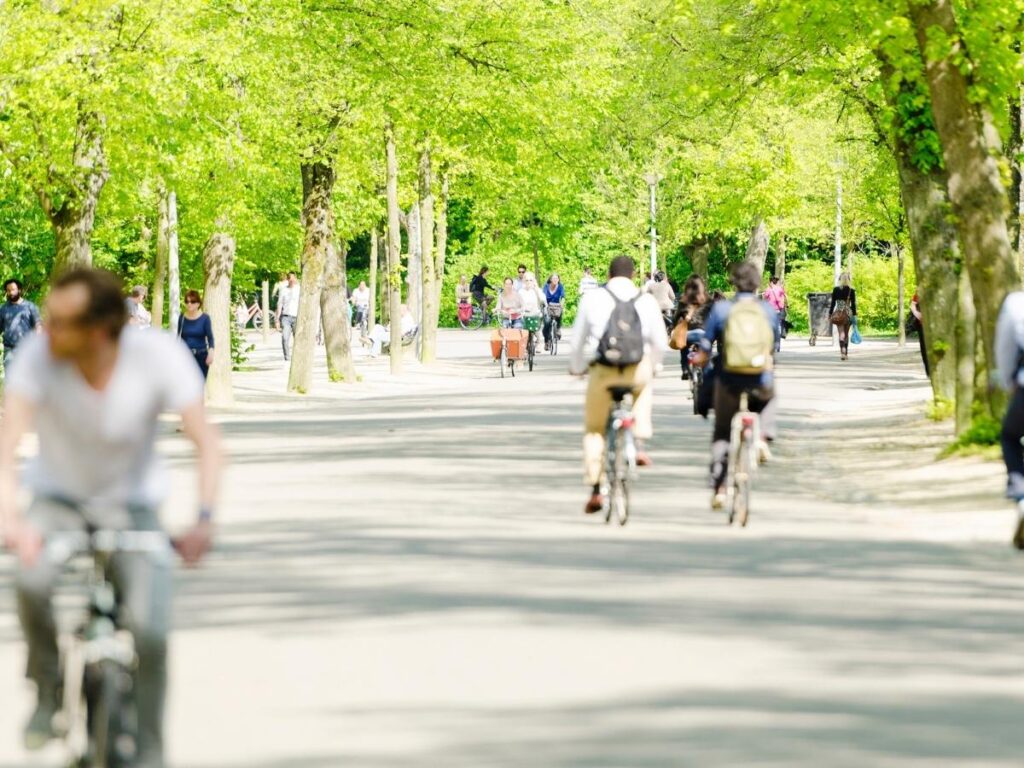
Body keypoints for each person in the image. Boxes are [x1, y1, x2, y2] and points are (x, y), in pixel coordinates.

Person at [0, 267, 223, 766]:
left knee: (151, 628)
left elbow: (207, 442)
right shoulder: (39, 358)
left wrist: (203, 520)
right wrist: (10, 519)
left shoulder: (155, 357)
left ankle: (149, 749)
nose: (45, 331)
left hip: (133, 504)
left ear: (101, 329)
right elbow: (7, 444)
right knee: (33, 582)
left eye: (59, 322)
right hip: (58, 499)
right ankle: (48, 691)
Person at [570, 256, 669, 513]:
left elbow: (578, 339)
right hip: (636, 369)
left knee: (594, 430)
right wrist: (654, 366)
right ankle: (638, 441)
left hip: (602, 370)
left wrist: (577, 367)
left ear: (609, 273)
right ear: (634, 275)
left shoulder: (593, 298)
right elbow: (660, 341)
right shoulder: (645, 299)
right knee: (644, 388)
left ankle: (595, 488)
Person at [694, 262, 779, 509]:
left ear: (733, 283)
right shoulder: (767, 311)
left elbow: (706, 347)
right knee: (771, 396)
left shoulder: (722, 309)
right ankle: (763, 436)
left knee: (722, 432)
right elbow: (772, 344)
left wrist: (700, 360)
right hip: (759, 378)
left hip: (729, 380)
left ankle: (720, 487)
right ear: (757, 284)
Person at [672, 274, 711, 379]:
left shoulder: (683, 300)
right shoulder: (707, 300)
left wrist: (673, 327)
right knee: (707, 352)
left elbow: (675, 318)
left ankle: (685, 369)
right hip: (704, 334)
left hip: (688, 334)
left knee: (684, 347)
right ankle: (706, 372)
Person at [0, 278, 41, 369]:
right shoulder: (2, 309)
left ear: (19, 290)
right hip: (9, 351)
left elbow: (38, 327)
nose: (11, 292)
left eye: (13, 289)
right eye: (8, 290)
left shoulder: (30, 306)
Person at [177, 290, 215, 379]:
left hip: (201, 356)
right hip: (185, 357)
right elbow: (179, 338)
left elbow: (210, 338)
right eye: (187, 301)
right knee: (186, 386)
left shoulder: (205, 318)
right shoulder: (182, 317)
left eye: (192, 301)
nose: (189, 304)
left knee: (199, 387)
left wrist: (211, 352)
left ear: (198, 304)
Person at [829, 272, 857, 361]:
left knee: (841, 333)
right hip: (848, 313)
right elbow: (854, 304)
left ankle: (842, 352)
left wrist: (830, 314)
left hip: (839, 313)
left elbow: (833, 303)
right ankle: (846, 354)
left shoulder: (836, 289)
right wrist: (855, 315)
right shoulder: (851, 290)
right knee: (846, 334)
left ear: (840, 279)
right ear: (849, 280)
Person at [275, 271, 300, 361]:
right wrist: (277, 320)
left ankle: (297, 357)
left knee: (298, 339)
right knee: (285, 337)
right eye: (290, 279)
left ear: (295, 279)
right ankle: (287, 358)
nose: (292, 281)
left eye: (293, 279)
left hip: (297, 317)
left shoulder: (299, 289)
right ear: (288, 280)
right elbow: (279, 305)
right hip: (286, 317)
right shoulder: (284, 290)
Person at [763, 276, 787, 353]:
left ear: (770, 282)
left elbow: (765, 299)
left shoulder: (768, 290)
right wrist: (784, 306)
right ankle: (778, 345)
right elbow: (784, 297)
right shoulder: (780, 289)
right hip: (778, 310)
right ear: (777, 282)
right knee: (779, 326)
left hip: (770, 311)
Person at [543, 273, 566, 351]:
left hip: (556, 306)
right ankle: (547, 341)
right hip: (547, 306)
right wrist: (545, 305)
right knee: (547, 323)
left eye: (557, 278)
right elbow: (543, 297)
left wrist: (561, 304)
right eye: (554, 278)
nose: (555, 280)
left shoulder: (560, 287)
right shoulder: (546, 286)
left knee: (560, 312)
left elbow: (563, 297)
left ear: (558, 280)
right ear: (550, 279)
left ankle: (558, 328)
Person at [910, 292, 929, 376]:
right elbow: (913, 304)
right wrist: (916, 313)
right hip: (922, 324)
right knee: (924, 348)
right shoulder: (921, 290)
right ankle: (928, 372)